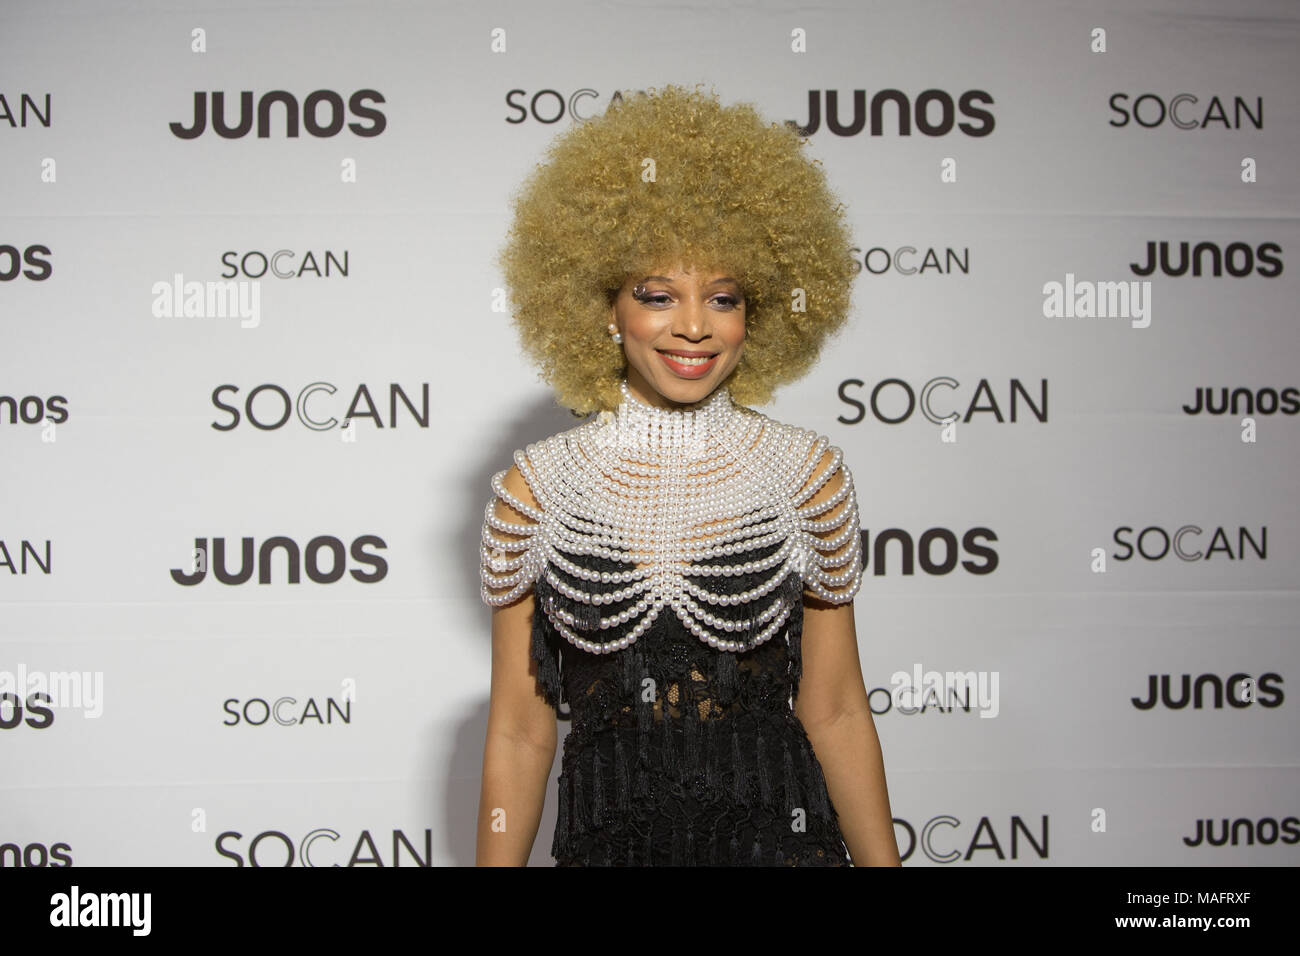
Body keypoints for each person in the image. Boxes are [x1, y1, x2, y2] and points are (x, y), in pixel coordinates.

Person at [476, 83, 900, 867]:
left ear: (757, 312)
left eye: (724, 297)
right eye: (658, 295)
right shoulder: (537, 491)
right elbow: (519, 729)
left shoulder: (805, 476)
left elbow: (835, 709)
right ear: (605, 307)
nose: (695, 326)